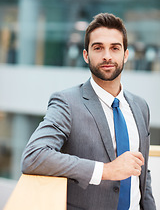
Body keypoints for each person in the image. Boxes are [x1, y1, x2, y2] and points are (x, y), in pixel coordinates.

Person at [21, 13, 156, 210]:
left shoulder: (140, 106)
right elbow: (34, 156)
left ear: (126, 55)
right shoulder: (67, 103)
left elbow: (143, 174)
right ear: (86, 55)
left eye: (115, 48)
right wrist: (106, 171)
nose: (107, 56)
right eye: (98, 48)